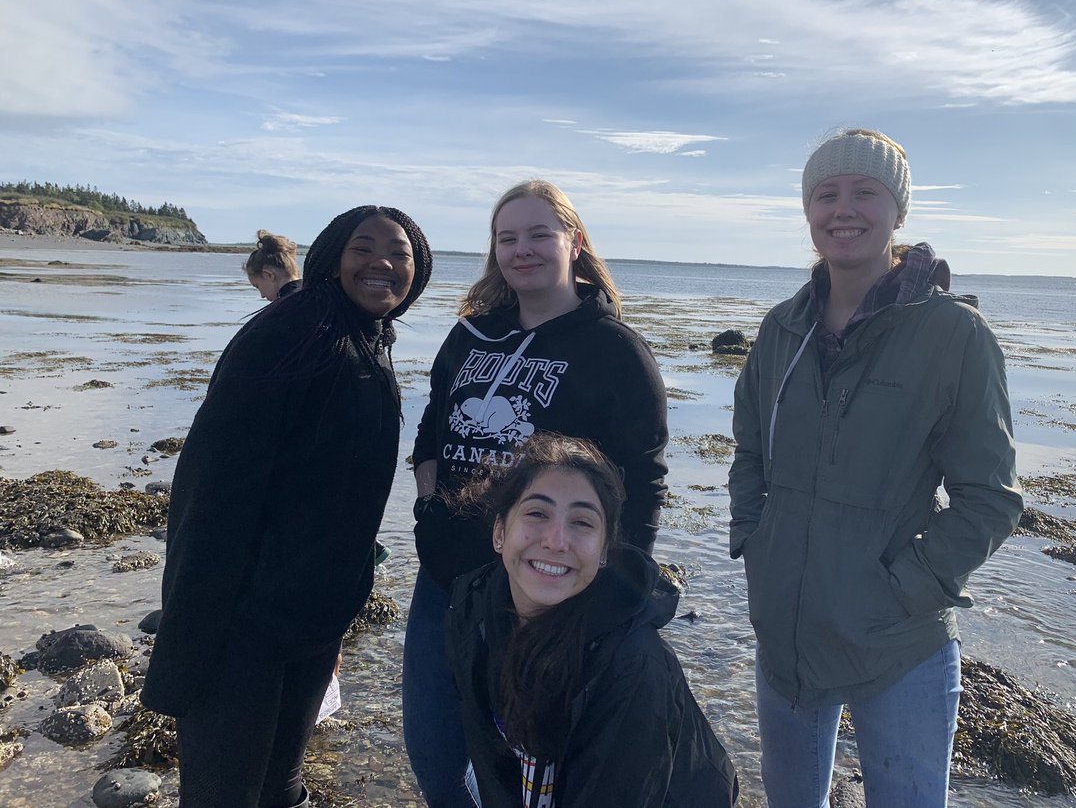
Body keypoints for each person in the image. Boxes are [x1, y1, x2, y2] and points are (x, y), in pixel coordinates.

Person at [728, 129, 1023, 807]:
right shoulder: (781, 329)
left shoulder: (954, 335)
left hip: (899, 644)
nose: (843, 209)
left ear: (899, 210)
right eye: (826, 194)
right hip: (786, 635)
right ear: (808, 210)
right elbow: (749, 454)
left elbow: (990, 499)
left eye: (866, 191)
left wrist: (903, 589)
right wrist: (757, 544)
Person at [141, 205, 432, 808]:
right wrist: (194, 618)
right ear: (330, 257)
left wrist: (340, 605)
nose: (382, 262)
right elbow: (211, 483)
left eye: (399, 253)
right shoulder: (292, 332)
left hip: (311, 614)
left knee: (281, 783)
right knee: (223, 793)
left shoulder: (364, 335)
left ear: (418, 270)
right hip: (242, 616)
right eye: (363, 248)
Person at [406, 179, 669, 806]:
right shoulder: (469, 335)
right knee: (436, 755)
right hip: (446, 581)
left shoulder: (615, 350)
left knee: (529, 773)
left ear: (574, 243)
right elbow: (432, 429)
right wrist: (429, 508)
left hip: (545, 593)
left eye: (538, 235)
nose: (521, 250)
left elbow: (643, 479)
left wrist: (618, 586)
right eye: (507, 238)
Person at [446, 433, 739, 807]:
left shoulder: (633, 664)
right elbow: (492, 768)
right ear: (500, 532)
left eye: (582, 522)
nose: (556, 541)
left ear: (604, 552)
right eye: (537, 513)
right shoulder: (472, 611)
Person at [244, 228, 302, 301]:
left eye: (258, 286)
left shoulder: (283, 306)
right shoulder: (313, 295)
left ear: (268, 275)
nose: (262, 296)